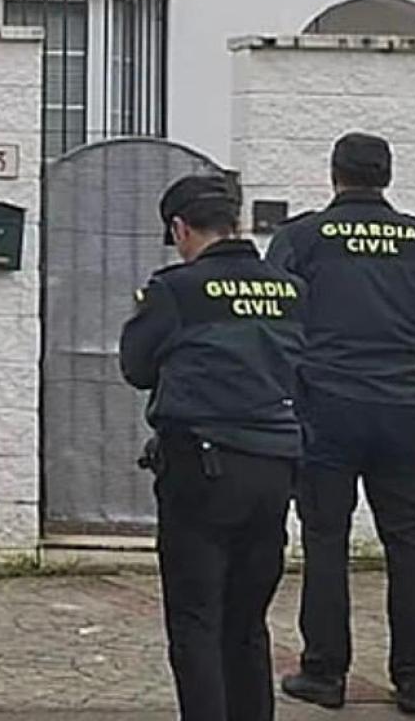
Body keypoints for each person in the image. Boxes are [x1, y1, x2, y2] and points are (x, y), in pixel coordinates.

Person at [268, 132, 415, 716]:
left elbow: (277, 317)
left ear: (335, 175)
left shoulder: (302, 238)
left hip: (325, 407)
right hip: (404, 409)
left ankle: (324, 673)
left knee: (326, 538)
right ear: (387, 176)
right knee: (408, 540)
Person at [120, 171, 307, 721]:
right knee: (247, 623)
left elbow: (135, 367)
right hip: (275, 469)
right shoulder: (290, 289)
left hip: (202, 470)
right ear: (236, 223)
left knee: (197, 623)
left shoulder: (176, 290)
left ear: (180, 229)